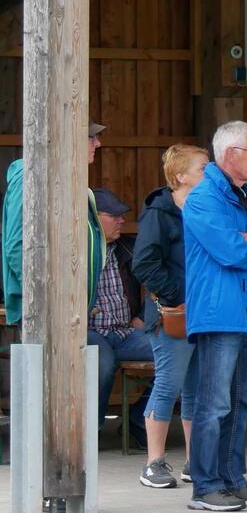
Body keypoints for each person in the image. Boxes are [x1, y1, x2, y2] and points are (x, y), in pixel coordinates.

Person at [182, 120, 247, 513]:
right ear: (230, 155)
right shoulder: (204, 199)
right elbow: (230, 252)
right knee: (213, 405)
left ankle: (233, 480)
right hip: (219, 315)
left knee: (241, 403)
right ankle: (205, 487)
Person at [132, 144, 208, 489]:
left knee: (195, 388)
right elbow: (144, 264)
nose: (210, 174)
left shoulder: (206, 209)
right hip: (170, 315)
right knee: (168, 383)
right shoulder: (158, 213)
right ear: (180, 176)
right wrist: (179, 297)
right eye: (202, 168)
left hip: (202, 312)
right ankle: (154, 463)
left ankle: (194, 462)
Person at [4, 121, 106, 326]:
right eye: (91, 138)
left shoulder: (68, 180)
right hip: (45, 311)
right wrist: (42, 299)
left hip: (68, 311)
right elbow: (16, 245)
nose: (98, 143)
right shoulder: (31, 177)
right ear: (70, 139)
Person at [87, 188, 154, 428]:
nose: (122, 220)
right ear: (93, 218)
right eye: (113, 215)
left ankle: (138, 421)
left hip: (126, 333)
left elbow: (159, 282)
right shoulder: (76, 251)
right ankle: (89, 436)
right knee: (102, 366)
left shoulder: (128, 248)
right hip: (90, 333)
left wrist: (143, 316)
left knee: (176, 352)